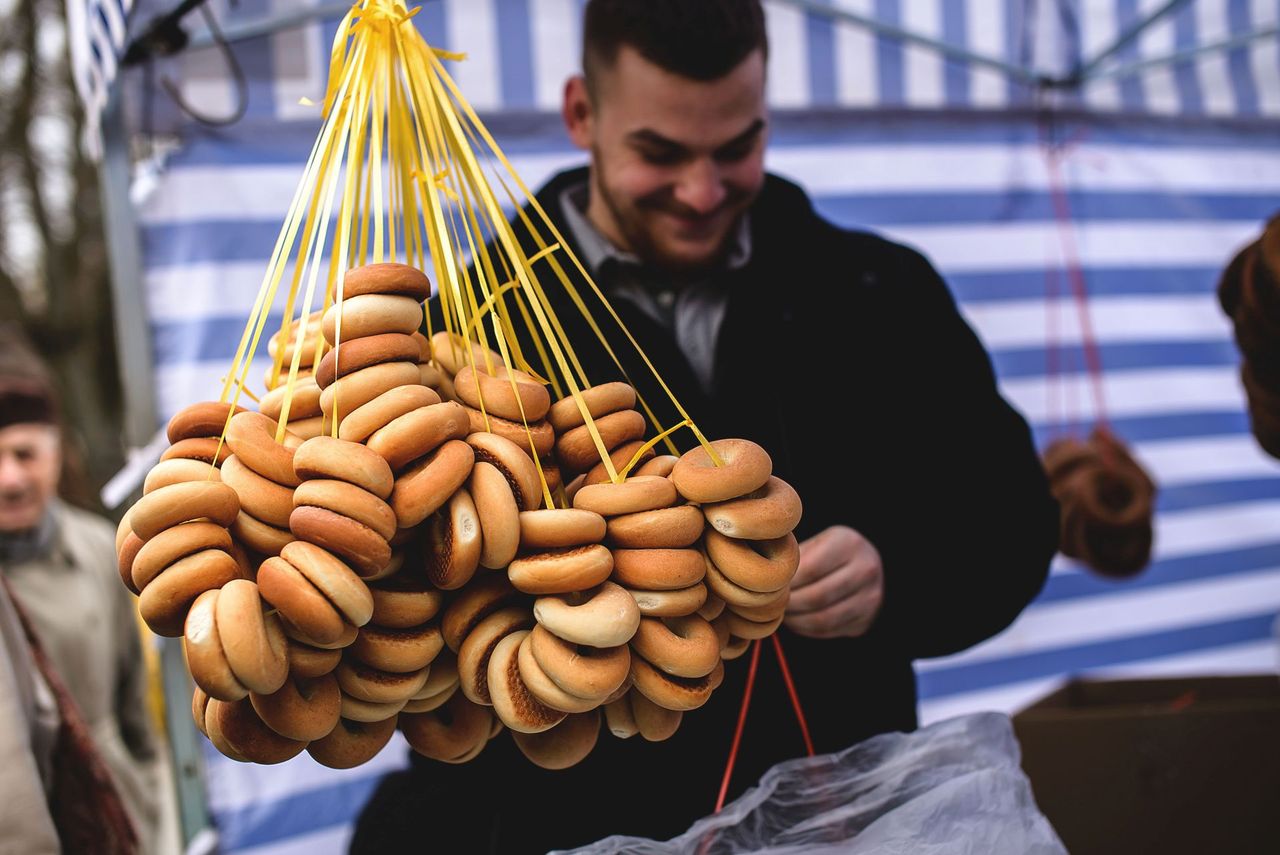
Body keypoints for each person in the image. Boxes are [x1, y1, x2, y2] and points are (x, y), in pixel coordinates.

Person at [353, 1, 1059, 851]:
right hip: (574, 825)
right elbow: (422, 636)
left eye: (737, 149)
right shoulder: (466, 335)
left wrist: (894, 573)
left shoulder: (881, 292)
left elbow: (1016, 521)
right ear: (582, 113)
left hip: (843, 816)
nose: (700, 190)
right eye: (660, 153)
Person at [0, 355, 162, 853]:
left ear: (56, 454)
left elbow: (134, 704)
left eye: (25, 454)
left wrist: (148, 792)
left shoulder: (99, 547)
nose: (10, 479)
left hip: (113, 812)